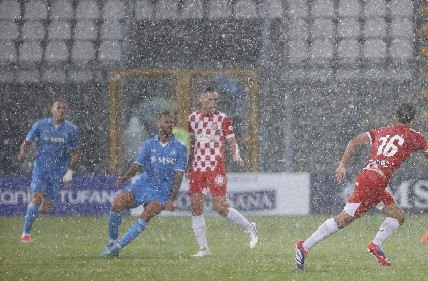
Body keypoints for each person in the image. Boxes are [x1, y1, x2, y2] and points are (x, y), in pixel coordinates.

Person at [295, 103, 428, 270]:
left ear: (396, 117)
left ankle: (376, 245)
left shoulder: (380, 131)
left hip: (372, 179)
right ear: (413, 120)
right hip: (373, 182)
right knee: (343, 219)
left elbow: (353, 142)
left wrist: (342, 165)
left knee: (398, 216)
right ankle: (304, 246)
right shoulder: (416, 136)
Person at [101, 110, 187, 257]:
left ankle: (117, 248)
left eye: (172, 122)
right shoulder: (148, 144)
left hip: (162, 190)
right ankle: (112, 241)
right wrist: (126, 177)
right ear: (158, 123)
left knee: (146, 214)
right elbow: (137, 165)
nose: (170, 125)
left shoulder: (180, 147)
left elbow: (179, 175)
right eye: (166, 122)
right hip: (144, 184)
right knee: (117, 204)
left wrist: (171, 198)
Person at [187, 87, 258, 257]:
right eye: (210, 99)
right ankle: (204, 249)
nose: (213, 103)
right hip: (198, 168)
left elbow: (232, 141)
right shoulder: (192, 119)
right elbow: (192, 143)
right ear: (201, 99)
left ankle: (249, 227)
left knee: (220, 207)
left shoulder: (222, 119)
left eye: (215, 100)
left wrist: (236, 154)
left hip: (215, 167)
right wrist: (189, 165)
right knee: (196, 207)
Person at [18, 100, 80, 243]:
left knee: (46, 208)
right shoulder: (40, 125)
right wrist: (23, 152)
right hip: (41, 168)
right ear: (52, 109)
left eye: (64, 108)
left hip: (58, 171)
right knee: (37, 197)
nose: (61, 110)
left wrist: (70, 172)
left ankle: (32, 212)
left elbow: (76, 152)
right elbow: (27, 141)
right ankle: (25, 234)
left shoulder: (71, 129)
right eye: (58, 108)